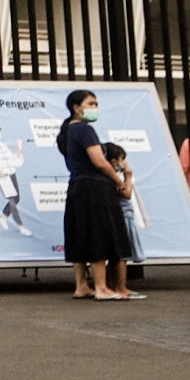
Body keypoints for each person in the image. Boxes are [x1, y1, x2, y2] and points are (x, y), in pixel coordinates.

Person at [58, 91, 138, 301]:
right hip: (94, 188)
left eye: (96, 103)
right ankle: (101, 287)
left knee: (80, 234)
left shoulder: (66, 131)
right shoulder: (84, 129)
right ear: (77, 108)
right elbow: (99, 161)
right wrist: (118, 181)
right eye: (91, 103)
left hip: (77, 186)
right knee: (98, 234)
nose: (95, 107)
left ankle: (82, 285)